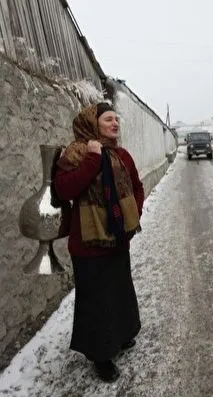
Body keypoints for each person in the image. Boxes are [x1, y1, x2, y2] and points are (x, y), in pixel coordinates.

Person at [54, 102, 144, 382]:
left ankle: (122, 334)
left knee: (118, 291)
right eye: (108, 119)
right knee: (97, 300)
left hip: (118, 239)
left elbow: (137, 186)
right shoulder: (77, 154)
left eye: (117, 119)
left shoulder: (122, 155)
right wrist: (93, 160)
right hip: (89, 245)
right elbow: (64, 189)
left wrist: (133, 213)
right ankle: (101, 356)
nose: (115, 124)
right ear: (93, 124)